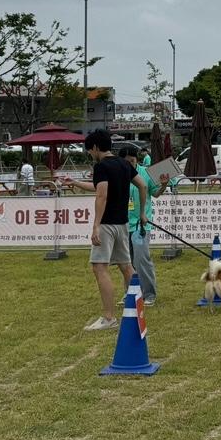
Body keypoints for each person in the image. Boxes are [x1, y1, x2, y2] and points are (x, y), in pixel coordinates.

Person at [83, 128, 151, 332]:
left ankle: (108, 317)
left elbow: (101, 196)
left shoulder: (102, 166)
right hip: (122, 224)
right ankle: (138, 309)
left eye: (89, 150)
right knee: (127, 267)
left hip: (106, 225)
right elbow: (143, 186)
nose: (90, 154)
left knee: (100, 267)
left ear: (95, 147)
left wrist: (95, 225)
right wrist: (141, 212)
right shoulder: (124, 164)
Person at [121, 144, 168, 307]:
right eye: (126, 162)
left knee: (141, 259)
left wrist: (163, 186)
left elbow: (154, 193)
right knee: (127, 261)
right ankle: (130, 292)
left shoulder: (146, 173)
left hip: (141, 225)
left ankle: (149, 294)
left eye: (132, 161)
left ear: (137, 160)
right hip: (123, 224)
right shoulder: (118, 174)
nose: (129, 164)